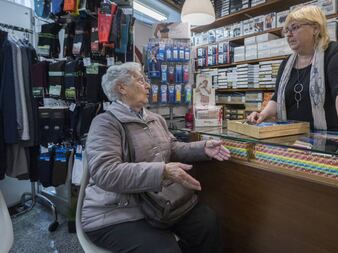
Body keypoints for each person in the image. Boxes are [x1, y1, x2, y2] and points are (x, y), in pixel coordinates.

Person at [82, 62, 231, 253]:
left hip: (158, 203)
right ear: (121, 87)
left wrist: (202, 149)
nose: (148, 85)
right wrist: (162, 171)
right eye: (140, 80)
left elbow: (172, 148)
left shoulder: (155, 118)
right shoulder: (105, 123)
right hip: (118, 211)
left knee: (207, 224)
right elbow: (105, 172)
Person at [247, 5, 338, 152]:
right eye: (286, 30)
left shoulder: (335, 51)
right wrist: (261, 115)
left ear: (315, 28)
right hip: (290, 140)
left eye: (294, 28)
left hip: (328, 142)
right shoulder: (286, 63)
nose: (288, 34)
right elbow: (277, 99)